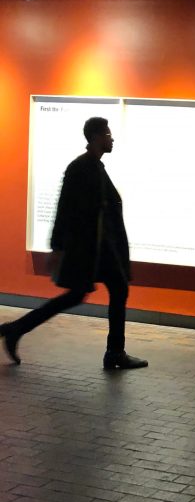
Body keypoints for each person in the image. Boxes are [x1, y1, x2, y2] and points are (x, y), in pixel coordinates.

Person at [0, 117, 147, 370]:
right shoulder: (80, 167)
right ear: (97, 137)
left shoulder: (95, 167)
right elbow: (64, 207)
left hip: (99, 250)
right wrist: (57, 246)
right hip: (89, 251)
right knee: (83, 294)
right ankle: (15, 329)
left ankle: (114, 351)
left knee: (113, 289)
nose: (112, 139)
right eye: (108, 134)